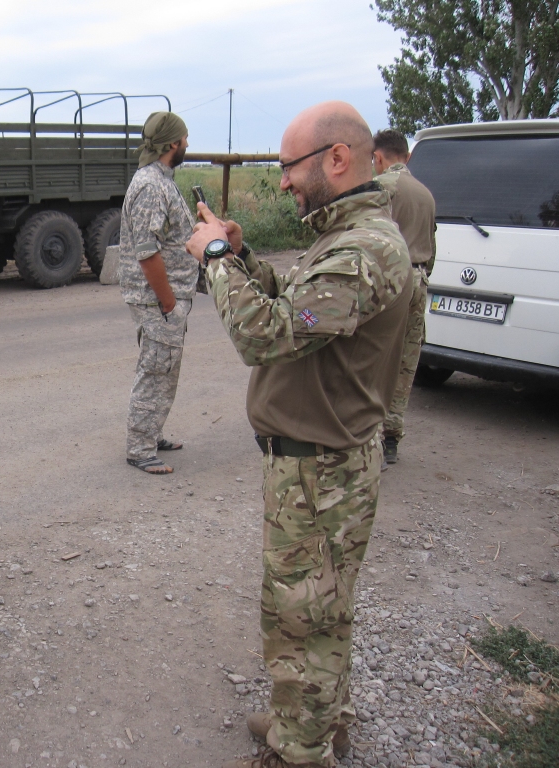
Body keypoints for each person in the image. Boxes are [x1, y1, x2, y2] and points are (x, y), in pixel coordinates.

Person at [186, 103, 412, 768]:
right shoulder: (348, 240)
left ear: (336, 159)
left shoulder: (362, 250)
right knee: (321, 613)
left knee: (302, 619)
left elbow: (270, 334)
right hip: (322, 467)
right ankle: (315, 719)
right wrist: (246, 255)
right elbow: (298, 307)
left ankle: (299, 752)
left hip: (321, 473)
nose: (283, 182)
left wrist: (218, 258)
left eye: (289, 167)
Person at [118, 111, 197, 475]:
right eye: (183, 139)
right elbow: (146, 251)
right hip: (157, 298)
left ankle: (152, 432)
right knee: (156, 367)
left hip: (166, 297)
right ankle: (140, 448)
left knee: (164, 367)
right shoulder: (151, 184)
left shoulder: (162, 179)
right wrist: (167, 300)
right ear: (172, 144)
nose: (186, 144)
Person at [373, 128, 437, 467]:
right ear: (407, 155)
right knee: (406, 360)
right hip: (419, 279)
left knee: (375, 356)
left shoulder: (381, 189)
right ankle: (392, 437)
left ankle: (367, 436)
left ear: (379, 158)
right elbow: (432, 246)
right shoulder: (426, 194)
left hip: (390, 281)